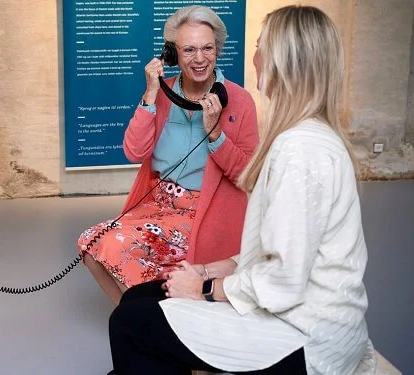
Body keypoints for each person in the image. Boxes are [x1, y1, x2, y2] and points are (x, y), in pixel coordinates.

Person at [107, 5, 377, 375]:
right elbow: (273, 252)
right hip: (297, 310)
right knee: (137, 300)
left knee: (131, 322)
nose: (254, 57)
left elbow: (282, 280)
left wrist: (204, 288)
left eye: (260, 46)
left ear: (283, 62)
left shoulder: (298, 150)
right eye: (188, 50)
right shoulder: (303, 137)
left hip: (305, 337)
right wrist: (203, 271)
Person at [78, 5, 258, 305]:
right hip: (157, 204)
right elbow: (134, 151)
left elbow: (248, 174)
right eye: (188, 50)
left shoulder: (239, 101)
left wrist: (215, 134)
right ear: (172, 53)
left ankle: (150, 320)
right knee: (90, 242)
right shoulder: (161, 94)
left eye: (207, 48)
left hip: (203, 209)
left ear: (218, 50)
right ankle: (135, 317)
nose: (199, 59)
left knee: (130, 254)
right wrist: (150, 94)